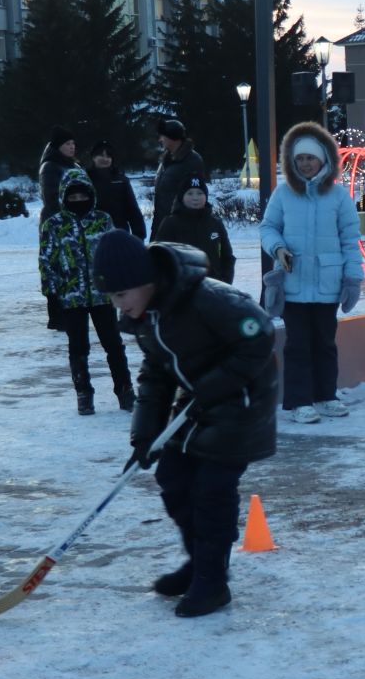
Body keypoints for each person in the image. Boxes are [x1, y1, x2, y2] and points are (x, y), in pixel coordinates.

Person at [93, 232, 278, 618]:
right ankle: (201, 563)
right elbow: (156, 374)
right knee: (174, 479)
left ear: (146, 281)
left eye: (122, 294)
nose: (118, 306)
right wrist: (144, 437)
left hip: (241, 403)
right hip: (196, 404)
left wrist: (210, 388)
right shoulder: (146, 316)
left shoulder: (207, 297)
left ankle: (212, 583)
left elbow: (260, 336)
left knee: (211, 490)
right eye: (112, 297)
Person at [259, 121, 363, 424]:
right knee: (297, 346)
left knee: (326, 344)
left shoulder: (339, 196)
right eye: (300, 158)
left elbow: (349, 240)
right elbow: (268, 228)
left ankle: (326, 395)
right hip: (293, 283)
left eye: (310, 158)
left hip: (328, 284)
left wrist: (353, 277)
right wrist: (278, 248)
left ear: (324, 160)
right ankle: (298, 401)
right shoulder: (283, 193)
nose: (305, 163)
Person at [39, 167, 134, 415]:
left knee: (113, 344)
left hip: (102, 295)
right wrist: (52, 291)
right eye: (73, 197)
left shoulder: (102, 220)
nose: (79, 201)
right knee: (78, 347)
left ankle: (125, 389)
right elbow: (47, 259)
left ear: (91, 195)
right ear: (64, 197)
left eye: (83, 196)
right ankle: (83, 393)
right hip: (71, 297)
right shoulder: (54, 224)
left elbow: (115, 254)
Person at [152, 174, 235, 282]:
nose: (195, 198)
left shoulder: (216, 224)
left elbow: (227, 257)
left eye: (200, 193)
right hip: (181, 290)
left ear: (206, 196)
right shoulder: (170, 223)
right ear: (182, 197)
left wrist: (225, 281)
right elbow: (160, 259)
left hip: (213, 287)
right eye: (190, 193)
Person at [151, 118, 206, 237]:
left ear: (172, 137)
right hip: (162, 223)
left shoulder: (192, 161)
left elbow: (196, 193)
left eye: (162, 136)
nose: (160, 139)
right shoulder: (167, 160)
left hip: (181, 228)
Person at [86, 140, 146, 238]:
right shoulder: (85, 179)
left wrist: (139, 234)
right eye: (101, 155)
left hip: (119, 231)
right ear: (93, 157)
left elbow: (132, 209)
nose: (105, 159)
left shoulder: (121, 180)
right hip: (92, 233)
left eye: (108, 156)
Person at [39, 128, 78, 224]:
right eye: (67, 144)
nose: (72, 147)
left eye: (73, 143)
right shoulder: (49, 167)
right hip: (56, 221)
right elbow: (51, 200)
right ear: (58, 146)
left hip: (75, 217)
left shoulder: (75, 166)